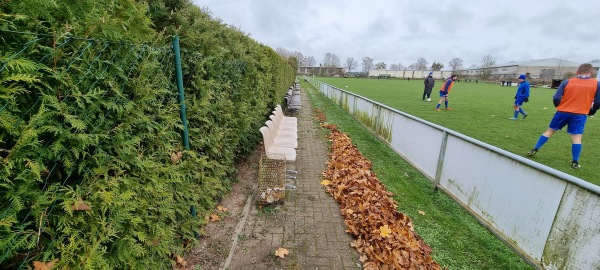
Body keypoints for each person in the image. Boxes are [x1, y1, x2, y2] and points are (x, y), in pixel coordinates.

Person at [527, 63, 600, 169]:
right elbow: (598, 103)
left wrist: (560, 107)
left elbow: (556, 98)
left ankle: (534, 149)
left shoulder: (567, 82)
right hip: (579, 114)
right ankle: (575, 161)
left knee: (550, 131)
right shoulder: (597, 84)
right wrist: (592, 111)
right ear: (592, 72)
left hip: (562, 112)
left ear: (577, 72)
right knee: (576, 137)